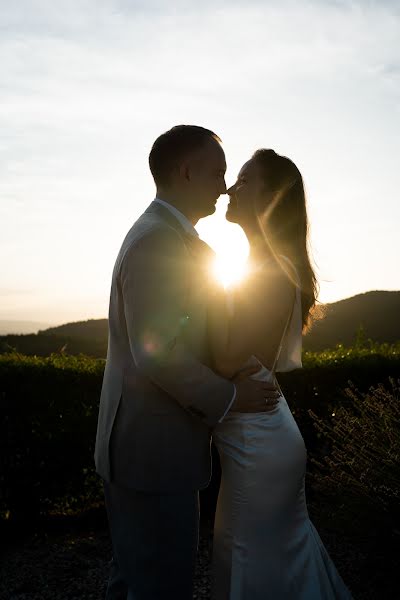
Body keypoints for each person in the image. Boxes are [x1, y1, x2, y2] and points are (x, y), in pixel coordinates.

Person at [94, 126, 280, 600]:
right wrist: (233, 398)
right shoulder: (160, 241)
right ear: (186, 170)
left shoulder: (171, 236)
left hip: (146, 450)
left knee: (136, 578)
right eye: (218, 172)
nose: (222, 185)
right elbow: (158, 355)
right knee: (159, 586)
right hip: (151, 455)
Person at [207, 149, 353, 599]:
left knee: (253, 561)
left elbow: (229, 360)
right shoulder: (261, 266)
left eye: (246, 180)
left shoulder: (268, 273)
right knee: (255, 556)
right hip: (260, 432)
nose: (231, 187)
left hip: (258, 444)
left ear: (271, 198)